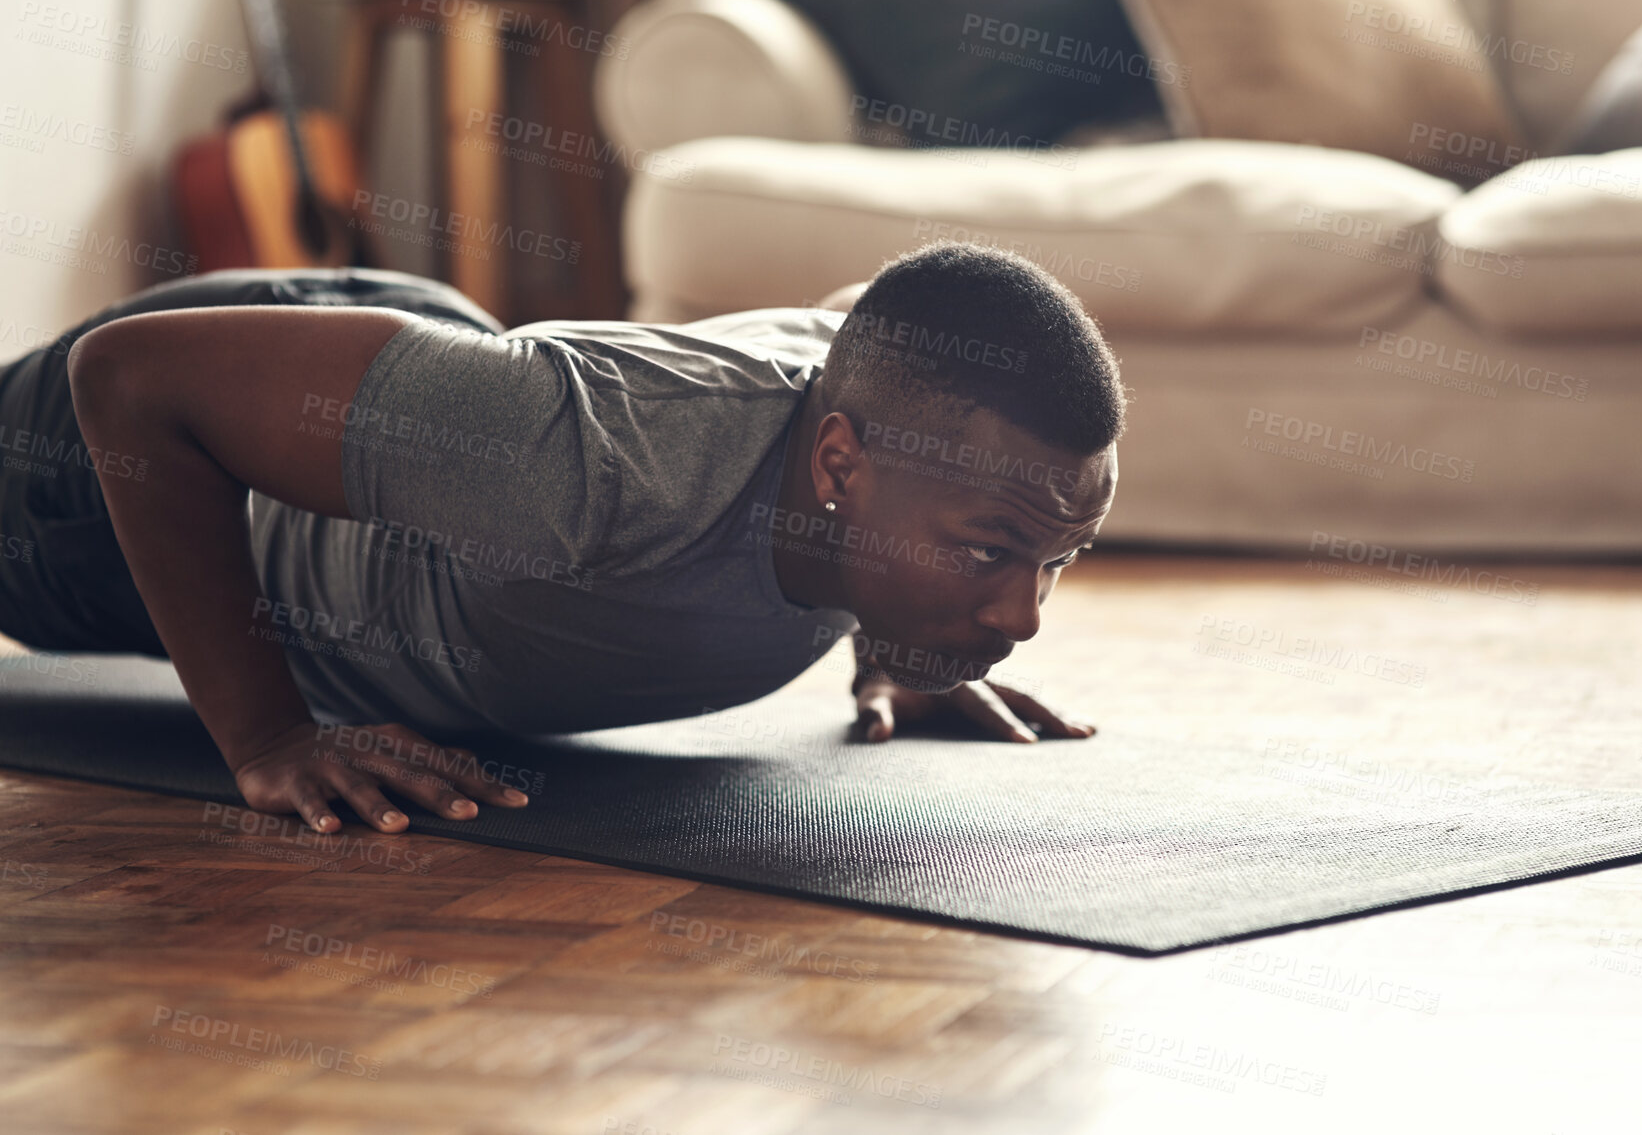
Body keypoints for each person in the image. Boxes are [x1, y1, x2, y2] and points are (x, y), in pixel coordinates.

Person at [0, 241, 1121, 835]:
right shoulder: (596, 461)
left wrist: (899, 638)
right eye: (990, 554)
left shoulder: (875, 433)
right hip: (95, 483)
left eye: (1055, 560)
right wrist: (266, 741)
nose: (1024, 617)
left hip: (420, 381)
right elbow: (133, 380)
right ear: (838, 466)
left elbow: (867, 311)